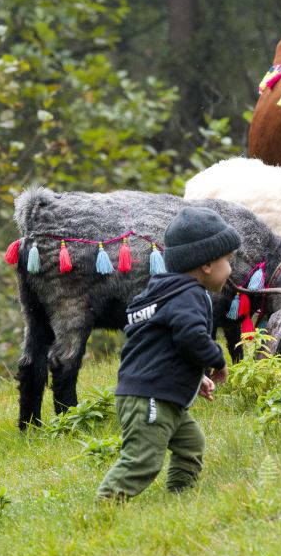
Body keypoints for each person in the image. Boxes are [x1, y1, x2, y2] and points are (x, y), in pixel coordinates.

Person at [96, 206, 239, 500]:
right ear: (207, 265)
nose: (232, 268)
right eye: (228, 260)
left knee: (191, 446)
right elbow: (191, 336)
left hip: (151, 392)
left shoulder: (160, 293)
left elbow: (161, 346)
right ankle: (105, 506)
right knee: (142, 460)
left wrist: (194, 375)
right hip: (151, 397)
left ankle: (180, 497)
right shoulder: (190, 295)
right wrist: (216, 361)